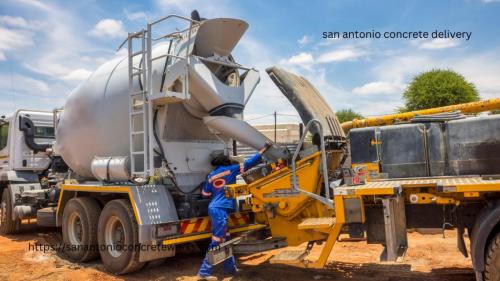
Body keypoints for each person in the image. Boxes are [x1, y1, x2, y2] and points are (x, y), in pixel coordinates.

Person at [197, 144, 271, 280]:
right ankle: (204, 272)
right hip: (221, 209)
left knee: (225, 239)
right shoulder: (230, 170)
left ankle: (230, 269)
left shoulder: (211, 176)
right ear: (226, 162)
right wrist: (264, 150)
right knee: (217, 240)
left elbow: (205, 194)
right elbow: (249, 163)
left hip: (214, 208)